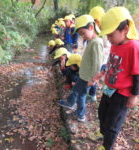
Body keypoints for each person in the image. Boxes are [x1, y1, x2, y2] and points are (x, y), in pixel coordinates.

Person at [97, 7, 139, 150]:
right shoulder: (116, 43)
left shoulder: (133, 47)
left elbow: (137, 74)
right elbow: (111, 62)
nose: (108, 39)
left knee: (112, 123)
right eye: (107, 36)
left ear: (125, 29)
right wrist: (102, 71)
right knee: (101, 113)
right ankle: (103, 134)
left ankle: (107, 146)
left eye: (110, 35)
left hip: (122, 94)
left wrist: (134, 96)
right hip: (109, 88)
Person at [59, 15, 104, 122]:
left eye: (83, 33)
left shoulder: (97, 43)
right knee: (76, 90)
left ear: (91, 27)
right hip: (83, 75)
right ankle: (70, 103)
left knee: (81, 95)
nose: (82, 36)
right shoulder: (91, 41)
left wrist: (93, 80)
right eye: (80, 35)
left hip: (88, 77)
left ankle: (80, 114)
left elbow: (98, 64)